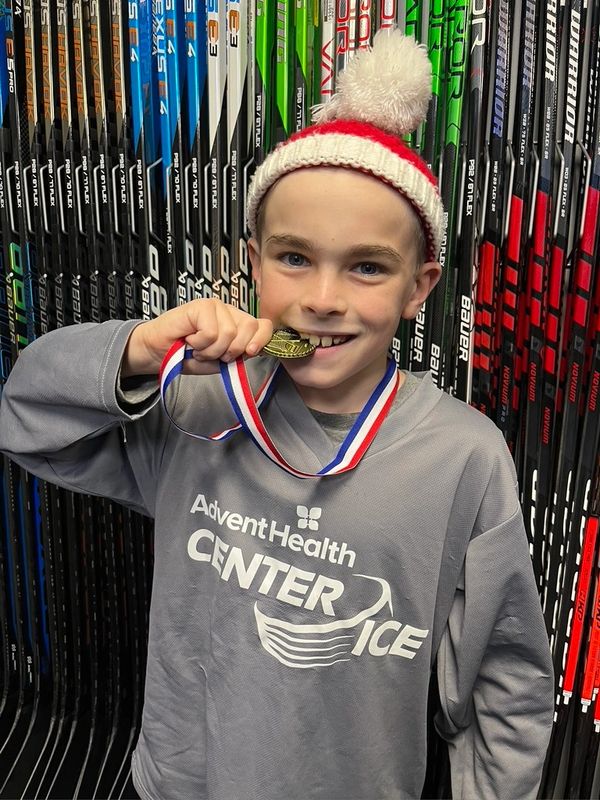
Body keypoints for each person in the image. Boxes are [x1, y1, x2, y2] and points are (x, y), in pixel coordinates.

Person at [0, 29, 553, 800]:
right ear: (251, 260)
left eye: (366, 267)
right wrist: (136, 351)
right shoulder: (195, 402)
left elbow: (505, 682)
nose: (323, 298)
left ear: (419, 288)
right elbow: (26, 422)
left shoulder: (465, 458)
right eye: (294, 258)